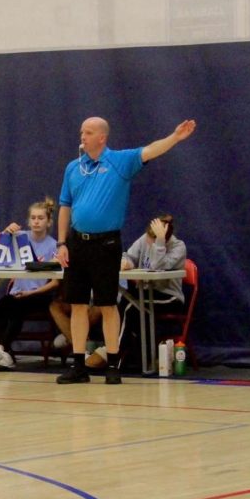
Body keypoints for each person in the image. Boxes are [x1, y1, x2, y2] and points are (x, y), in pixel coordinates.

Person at [55, 117, 196, 385]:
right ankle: (78, 366)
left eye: (88, 132)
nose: (82, 136)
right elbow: (65, 205)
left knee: (108, 304)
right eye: (81, 131)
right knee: (78, 305)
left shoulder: (119, 162)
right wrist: (61, 243)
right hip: (77, 244)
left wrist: (175, 137)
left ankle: (112, 364)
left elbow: (151, 149)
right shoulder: (73, 168)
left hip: (106, 244)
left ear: (102, 138)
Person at [93, 214, 187, 372]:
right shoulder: (144, 239)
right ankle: (115, 350)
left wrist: (159, 242)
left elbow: (158, 266)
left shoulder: (179, 247)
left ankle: (114, 356)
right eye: (150, 238)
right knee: (124, 301)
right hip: (145, 293)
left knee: (131, 308)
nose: (149, 243)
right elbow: (129, 255)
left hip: (169, 297)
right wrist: (126, 262)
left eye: (154, 239)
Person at [0, 198, 61, 370]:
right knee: (3, 305)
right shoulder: (20, 238)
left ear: (48, 222)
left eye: (41, 218)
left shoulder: (54, 245)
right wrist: (6, 233)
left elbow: (55, 283)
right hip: (17, 292)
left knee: (18, 308)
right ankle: (6, 352)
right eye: (33, 218)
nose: (36, 221)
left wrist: (31, 293)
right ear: (28, 221)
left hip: (39, 294)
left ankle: (0, 349)